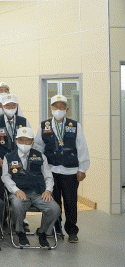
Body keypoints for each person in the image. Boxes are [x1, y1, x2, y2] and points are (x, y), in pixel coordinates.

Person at [34, 94, 90, 243]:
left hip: (70, 171)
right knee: (54, 202)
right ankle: (56, 229)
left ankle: (72, 230)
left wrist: (82, 169)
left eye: (61, 106)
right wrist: (39, 168)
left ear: (67, 109)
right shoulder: (44, 126)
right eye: (55, 106)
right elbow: (38, 147)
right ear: (51, 109)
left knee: (70, 202)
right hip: (51, 170)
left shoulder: (75, 126)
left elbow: (82, 148)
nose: (58, 109)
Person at [2, 127, 61, 247]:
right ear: (16, 141)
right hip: (20, 193)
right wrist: (16, 190)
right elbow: (5, 177)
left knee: (55, 208)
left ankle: (43, 233)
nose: (24, 143)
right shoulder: (8, 157)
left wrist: (48, 190)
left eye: (27, 140)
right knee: (16, 205)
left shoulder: (40, 156)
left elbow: (48, 177)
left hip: (39, 193)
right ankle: (20, 232)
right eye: (21, 140)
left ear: (32, 142)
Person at [0, 94, 30, 201]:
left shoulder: (23, 121)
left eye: (13, 105)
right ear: (3, 107)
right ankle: (3, 211)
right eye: (7, 106)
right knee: (1, 190)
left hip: (19, 160)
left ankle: (17, 210)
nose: (10, 108)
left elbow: (30, 140)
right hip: (2, 161)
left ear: (17, 106)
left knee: (18, 188)